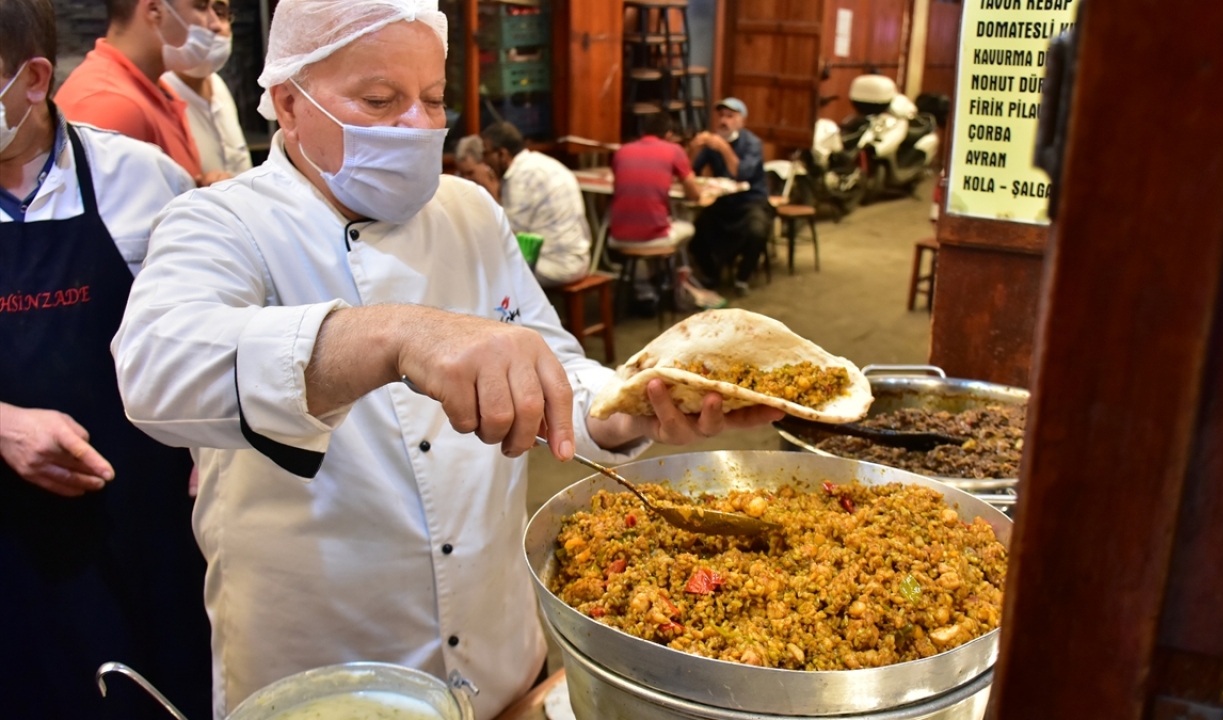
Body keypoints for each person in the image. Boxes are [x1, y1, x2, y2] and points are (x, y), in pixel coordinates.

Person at [111, 2, 783, 718]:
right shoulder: (223, 221)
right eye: (379, 100)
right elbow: (156, 370)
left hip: (498, 648)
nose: (415, 125)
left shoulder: (469, 211)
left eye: (432, 99)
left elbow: (551, 361)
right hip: (326, 669)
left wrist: (630, 404)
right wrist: (396, 335)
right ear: (289, 102)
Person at [0, 1, 211, 718]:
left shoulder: (142, 182)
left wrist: (217, 445)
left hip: (147, 531)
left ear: (34, 79)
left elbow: (216, 329)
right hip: (13, 552)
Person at [55, 0, 229, 185]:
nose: (215, 24)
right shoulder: (109, 103)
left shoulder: (157, 88)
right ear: (154, 10)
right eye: (201, 6)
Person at [478, 121, 592, 287]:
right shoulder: (540, 163)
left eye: (486, 153)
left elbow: (509, 237)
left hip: (554, 264)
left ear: (502, 154)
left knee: (481, 269)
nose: (483, 161)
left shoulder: (519, 179)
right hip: (579, 257)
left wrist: (491, 192)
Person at [688, 97, 772, 296]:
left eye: (730, 116)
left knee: (757, 230)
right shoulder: (713, 142)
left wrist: (724, 148)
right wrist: (693, 148)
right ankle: (712, 273)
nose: (723, 121)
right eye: (721, 116)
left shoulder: (752, 143)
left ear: (742, 121)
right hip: (724, 201)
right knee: (696, 231)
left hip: (751, 201)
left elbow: (740, 173)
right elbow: (690, 169)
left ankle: (743, 278)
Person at [161, 0, 253, 177]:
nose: (215, 25)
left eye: (220, 13)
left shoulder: (218, 85)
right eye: (200, 8)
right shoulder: (159, 94)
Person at [608, 112, 700, 252]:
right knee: (688, 227)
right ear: (669, 135)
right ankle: (670, 265)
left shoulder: (622, 151)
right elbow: (695, 195)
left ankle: (649, 265)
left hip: (617, 236)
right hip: (655, 237)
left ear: (642, 132)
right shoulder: (675, 150)